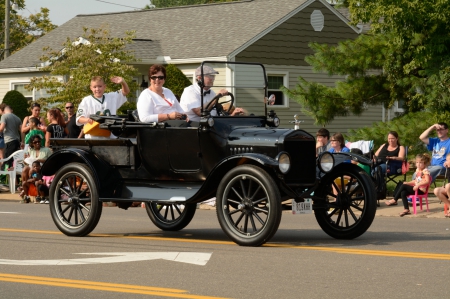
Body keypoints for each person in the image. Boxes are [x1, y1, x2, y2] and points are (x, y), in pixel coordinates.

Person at [180, 65, 244, 122]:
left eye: (213, 76)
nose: (213, 79)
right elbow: (200, 112)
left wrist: (233, 115)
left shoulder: (211, 93)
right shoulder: (190, 91)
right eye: (210, 76)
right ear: (200, 78)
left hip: (210, 126)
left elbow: (217, 115)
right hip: (193, 126)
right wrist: (216, 97)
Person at [0, 104, 23, 169]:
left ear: (3, 110)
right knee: (14, 161)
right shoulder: (17, 118)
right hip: (17, 141)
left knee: (7, 161)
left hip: (9, 141)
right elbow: (22, 131)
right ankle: (14, 177)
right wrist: (22, 141)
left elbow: (1, 128)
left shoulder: (4, 116)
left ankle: (5, 178)